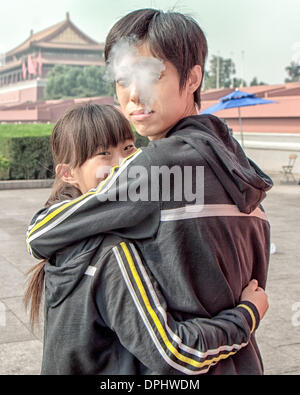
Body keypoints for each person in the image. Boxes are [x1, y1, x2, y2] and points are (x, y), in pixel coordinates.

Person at [26, 9, 273, 374]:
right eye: (123, 79)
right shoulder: (237, 165)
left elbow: (42, 232)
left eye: (152, 74)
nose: (135, 96)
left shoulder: (158, 167)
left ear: (192, 78)